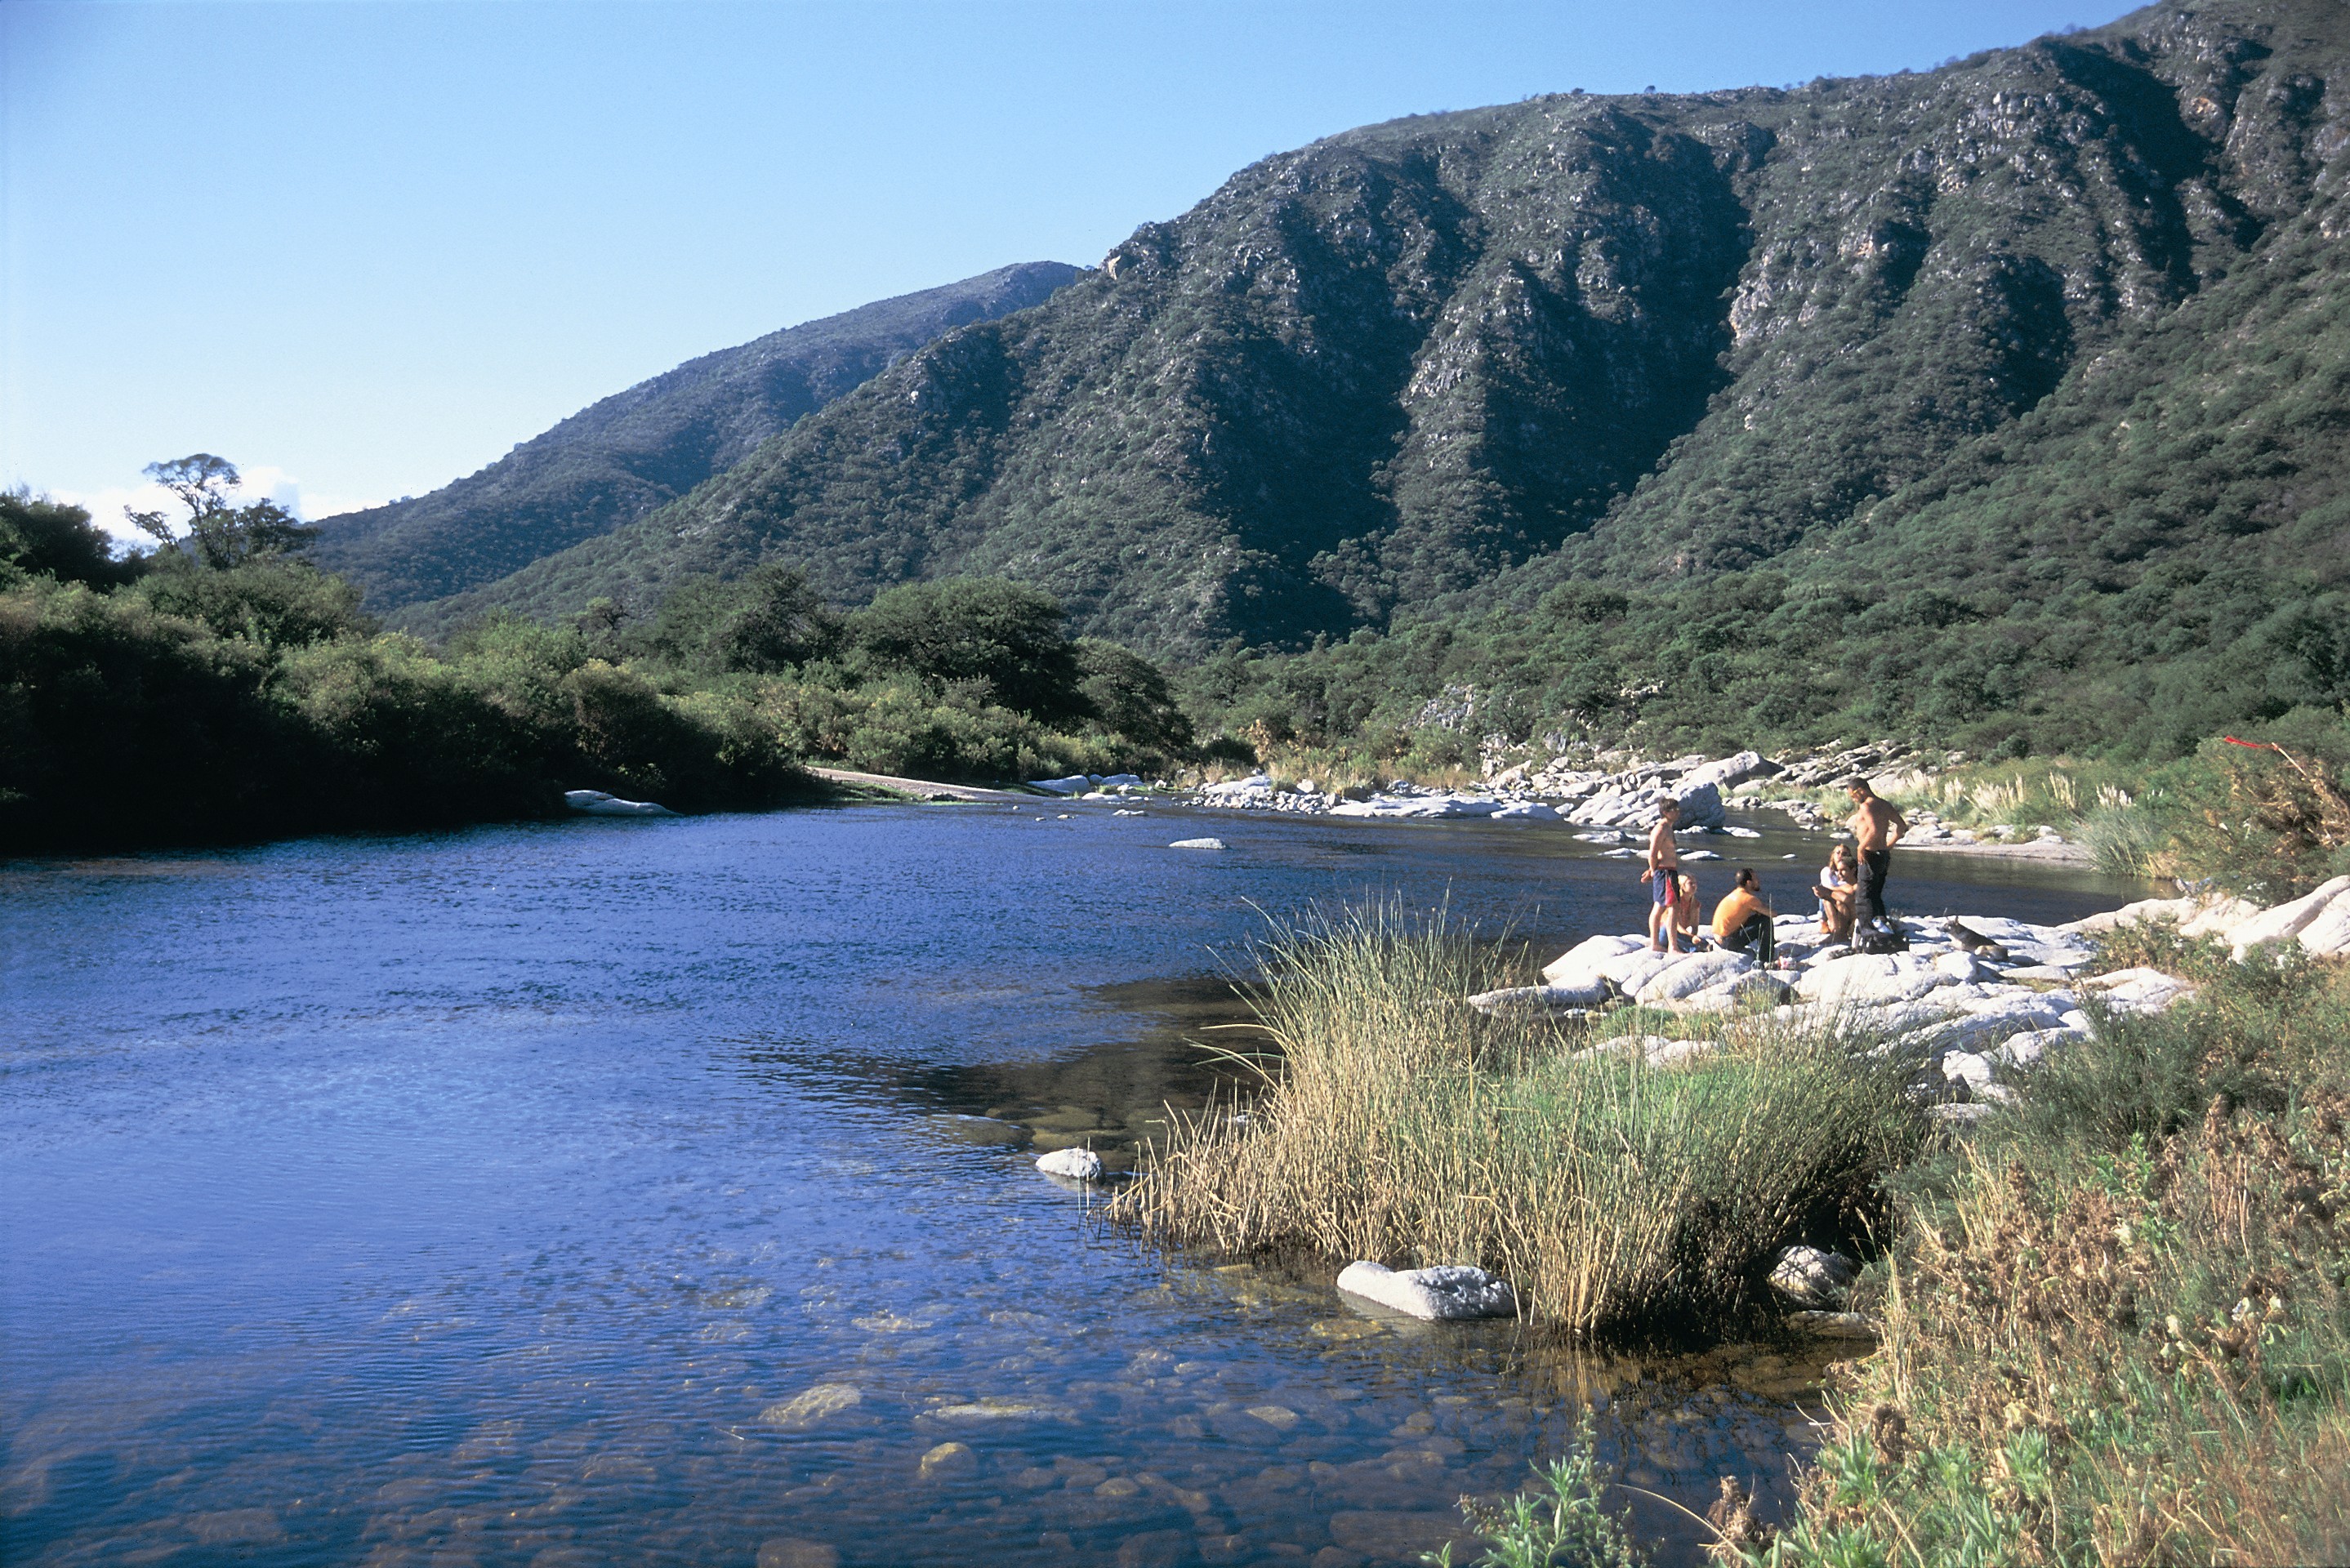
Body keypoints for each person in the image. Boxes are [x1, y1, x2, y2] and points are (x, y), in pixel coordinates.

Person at [1844, 779, 1909, 933]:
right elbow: (1901, 826)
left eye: (1853, 796)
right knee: (1875, 895)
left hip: (1870, 855)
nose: (1853, 799)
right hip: (1883, 856)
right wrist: (1888, 846)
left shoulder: (1866, 806)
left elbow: (1875, 830)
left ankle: (1869, 932)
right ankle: (1883, 930)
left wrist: (1861, 847)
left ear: (1860, 790)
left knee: (1863, 897)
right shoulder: (1885, 804)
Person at [1640, 798, 1683, 952]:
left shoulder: (1669, 828)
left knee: (1661, 906)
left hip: (1668, 871)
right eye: (1674, 810)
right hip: (1665, 872)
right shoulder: (1661, 829)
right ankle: (1671, 946)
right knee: (1672, 907)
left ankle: (1656, 944)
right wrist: (1653, 870)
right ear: (1665, 812)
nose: (1678, 812)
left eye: (1678, 809)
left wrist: (1652, 870)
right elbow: (1652, 853)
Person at [1713, 867, 1776, 964]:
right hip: (1729, 942)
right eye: (1755, 879)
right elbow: (1773, 914)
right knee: (1766, 921)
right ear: (1749, 883)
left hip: (1718, 938)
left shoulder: (1735, 894)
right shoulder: (1749, 899)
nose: (1758, 881)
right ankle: (1765, 959)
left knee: (1760, 918)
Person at [1813, 844, 1859, 939]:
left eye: (1844, 853)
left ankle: (1840, 932)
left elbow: (1849, 892)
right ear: (1833, 855)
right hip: (1832, 903)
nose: (1840, 855)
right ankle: (1826, 923)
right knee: (1827, 899)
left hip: (1846, 906)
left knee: (1840, 902)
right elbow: (1827, 886)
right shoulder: (1827, 871)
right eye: (1838, 853)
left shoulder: (1851, 876)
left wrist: (1828, 892)